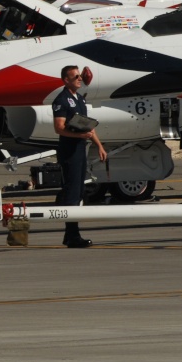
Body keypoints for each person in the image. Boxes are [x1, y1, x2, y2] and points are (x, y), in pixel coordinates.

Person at [52, 65, 107, 248]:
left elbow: (88, 127)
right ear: (66, 80)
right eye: (75, 76)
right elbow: (59, 127)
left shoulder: (80, 99)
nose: (79, 79)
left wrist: (99, 145)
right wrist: (79, 136)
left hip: (80, 148)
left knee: (78, 191)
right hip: (70, 150)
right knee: (72, 192)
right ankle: (73, 235)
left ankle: (70, 235)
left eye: (79, 76)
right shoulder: (62, 100)